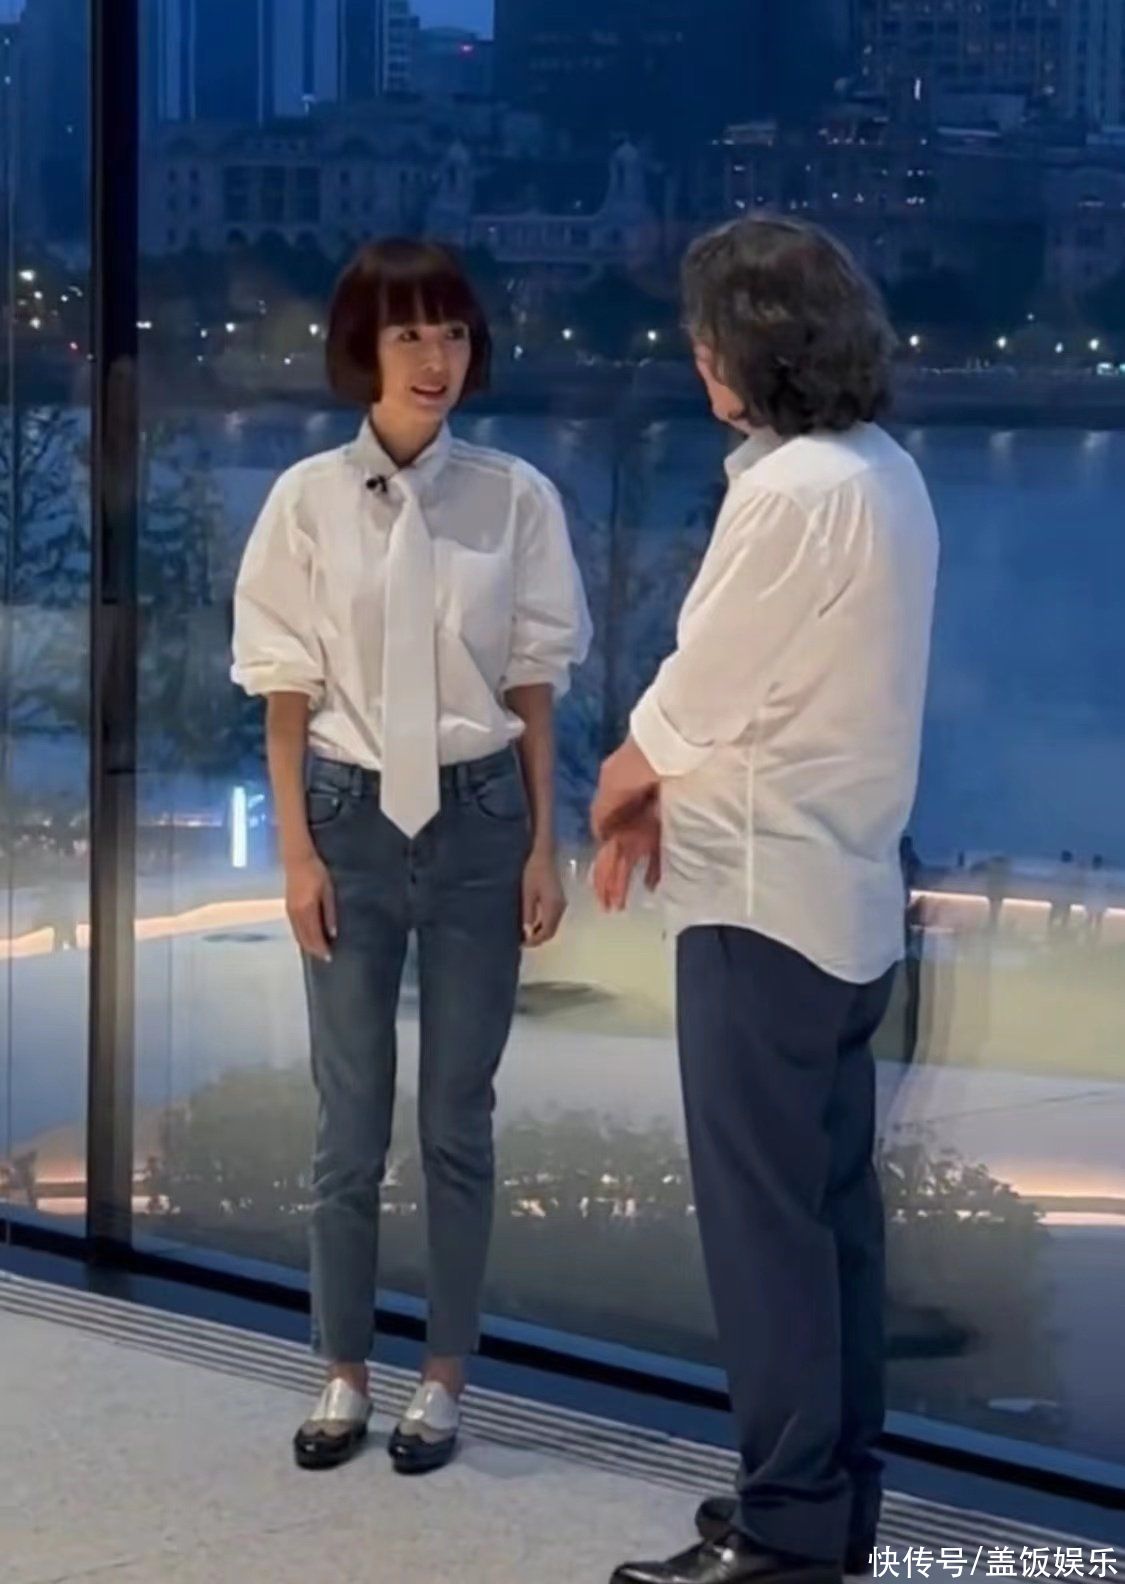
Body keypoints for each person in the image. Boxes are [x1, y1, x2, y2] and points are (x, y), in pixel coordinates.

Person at [591, 217, 938, 1584]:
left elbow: (704, 689)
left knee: (764, 1237)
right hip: (843, 898)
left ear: (753, 349)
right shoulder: (887, 473)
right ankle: (830, 1506)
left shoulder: (794, 493)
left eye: (707, 337)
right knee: (831, 1223)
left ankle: (787, 1528)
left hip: (760, 904)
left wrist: (622, 780)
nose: (697, 358)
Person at [232, 238, 590, 1475]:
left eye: (453, 334)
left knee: (456, 1119)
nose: (436, 359)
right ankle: (341, 1371)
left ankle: (443, 1381)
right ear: (363, 350)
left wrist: (545, 845)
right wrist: (296, 853)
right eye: (409, 335)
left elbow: (535, 687)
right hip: (347, 821)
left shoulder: (515, 497)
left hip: (483, 821)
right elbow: (283, 697)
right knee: (347, 1120)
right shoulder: (306, 500)